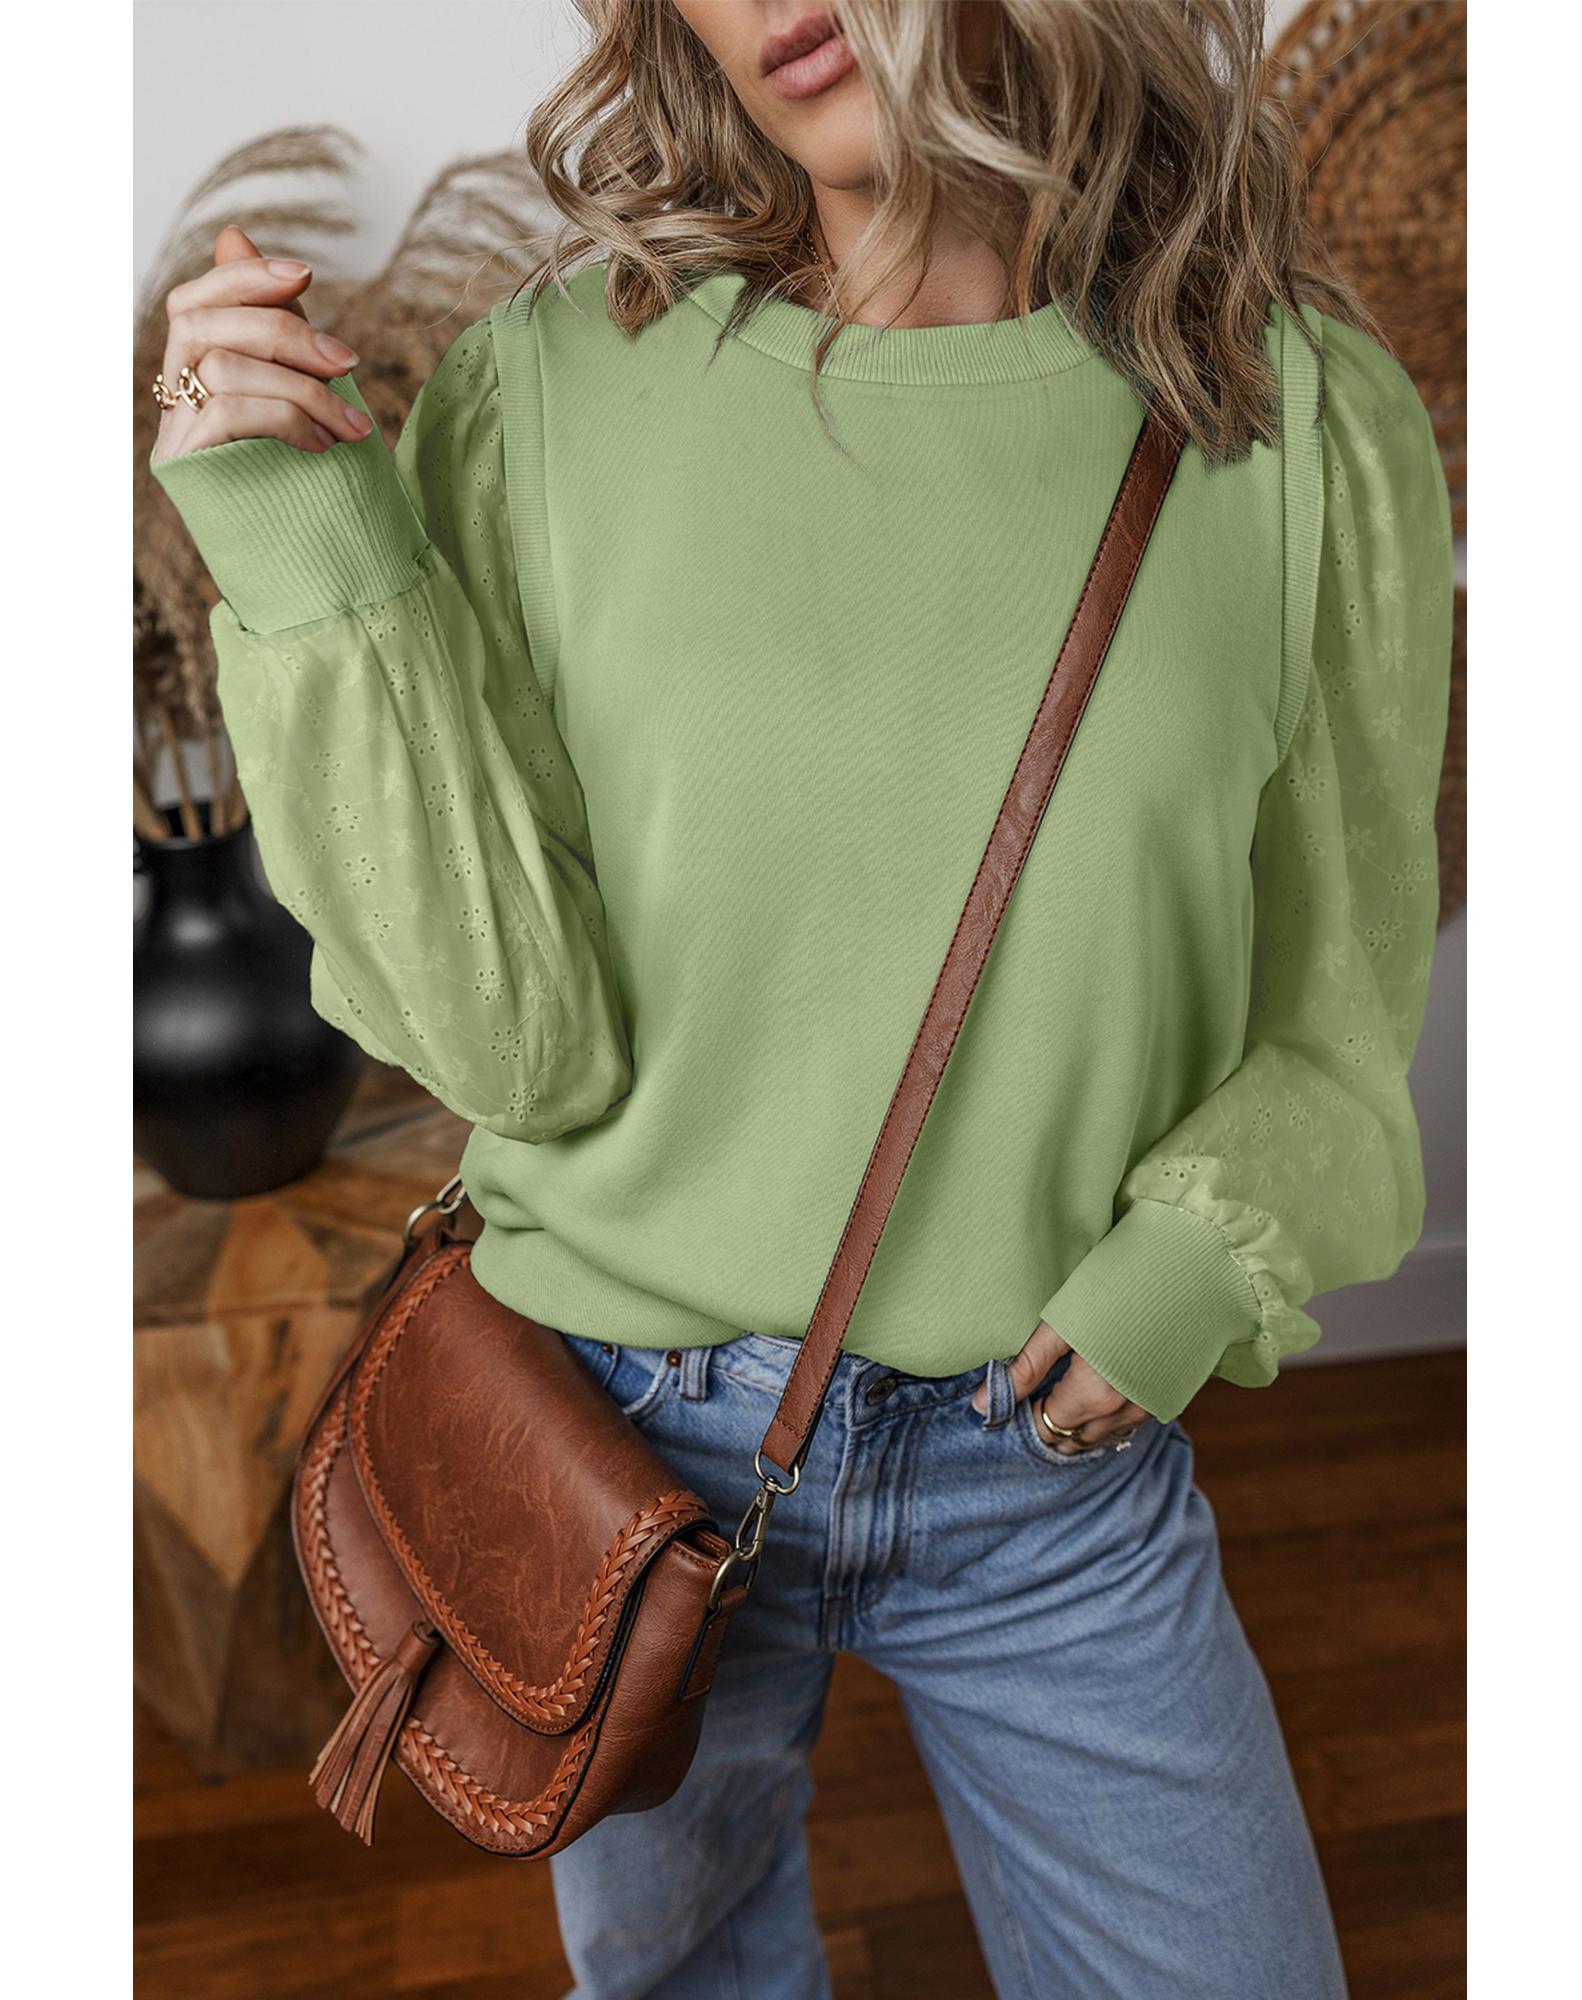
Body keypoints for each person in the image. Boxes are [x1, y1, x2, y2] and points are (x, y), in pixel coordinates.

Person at [148, 3, 1453, 1993]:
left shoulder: (1291, 420)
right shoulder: (552, 390)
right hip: (606, 1439)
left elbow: (1340, 1003)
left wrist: (1195, 1261)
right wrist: (288, 530)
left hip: (1043, 1468)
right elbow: (512, 1047)